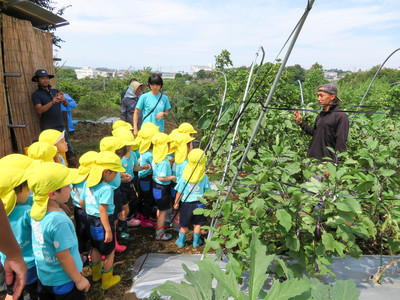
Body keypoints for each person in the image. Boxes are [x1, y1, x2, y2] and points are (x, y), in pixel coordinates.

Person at [28, 162, 90, 299]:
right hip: (64, 281)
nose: (70, 188)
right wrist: (79, 280)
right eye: (67, 186)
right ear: (53, 194)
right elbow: (64, 256)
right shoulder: (59, 222)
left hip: (46, 277)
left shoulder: (35, 211)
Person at [84, 151, 125, 290]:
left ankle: (95, 275)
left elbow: (83, 202)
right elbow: (103, 211)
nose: (116, 176)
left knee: (95, 247)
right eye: (115, 173)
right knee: (109, 252)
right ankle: (107, 280)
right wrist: (108, 230)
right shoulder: (107, 188)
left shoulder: (87, 183)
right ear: (106, 172)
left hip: (90, 220)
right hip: (102, 222)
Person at [1, 166, 38, 300]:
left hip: (7, 264)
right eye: (26, 188)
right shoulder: (27, 212)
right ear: (14, 194)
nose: (29, 191)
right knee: (37, 291)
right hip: (30, 263)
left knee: (12, 292)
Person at [293, 84, 349, 164]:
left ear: (332, 97)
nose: (318, 99)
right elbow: (315, 133)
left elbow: (341, 144)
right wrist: (300, 122)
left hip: (325, 163)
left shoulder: (340, 116)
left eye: (321, 96)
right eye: (318, 96)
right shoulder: (321, 114)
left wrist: (334, 164)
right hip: (312, 159)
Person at [31, 69, 77, 166]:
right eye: (42, 78)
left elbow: (66, 104)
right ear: (37, 80)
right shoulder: (36, 94)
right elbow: (39, 110)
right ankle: (53, 166)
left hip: (60, 124)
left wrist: (63, 100)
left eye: (47, 78)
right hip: (48, 126)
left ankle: (73, 165)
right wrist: (52, 102)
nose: (45, 80)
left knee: (67, 145)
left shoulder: (55, 91)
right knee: (50, 148)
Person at [174, 149, 210, 248]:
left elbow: (179, 192)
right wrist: (208, 201)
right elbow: (207, 192)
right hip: (200, 203)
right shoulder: (204, 176)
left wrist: (176, 203)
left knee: (184, 225)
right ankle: (195, 242)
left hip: (186, 204)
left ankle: (181, 242)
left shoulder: (184, 176)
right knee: (197, 224)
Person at [151, 133, 176, 241]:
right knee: (163, 211)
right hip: (162, 188)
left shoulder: (156, 158)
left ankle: (158, 226)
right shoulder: (164, 162)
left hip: (155, 187)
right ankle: (159, 233)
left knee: (160, 209)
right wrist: (172, 177)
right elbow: (162, 178)